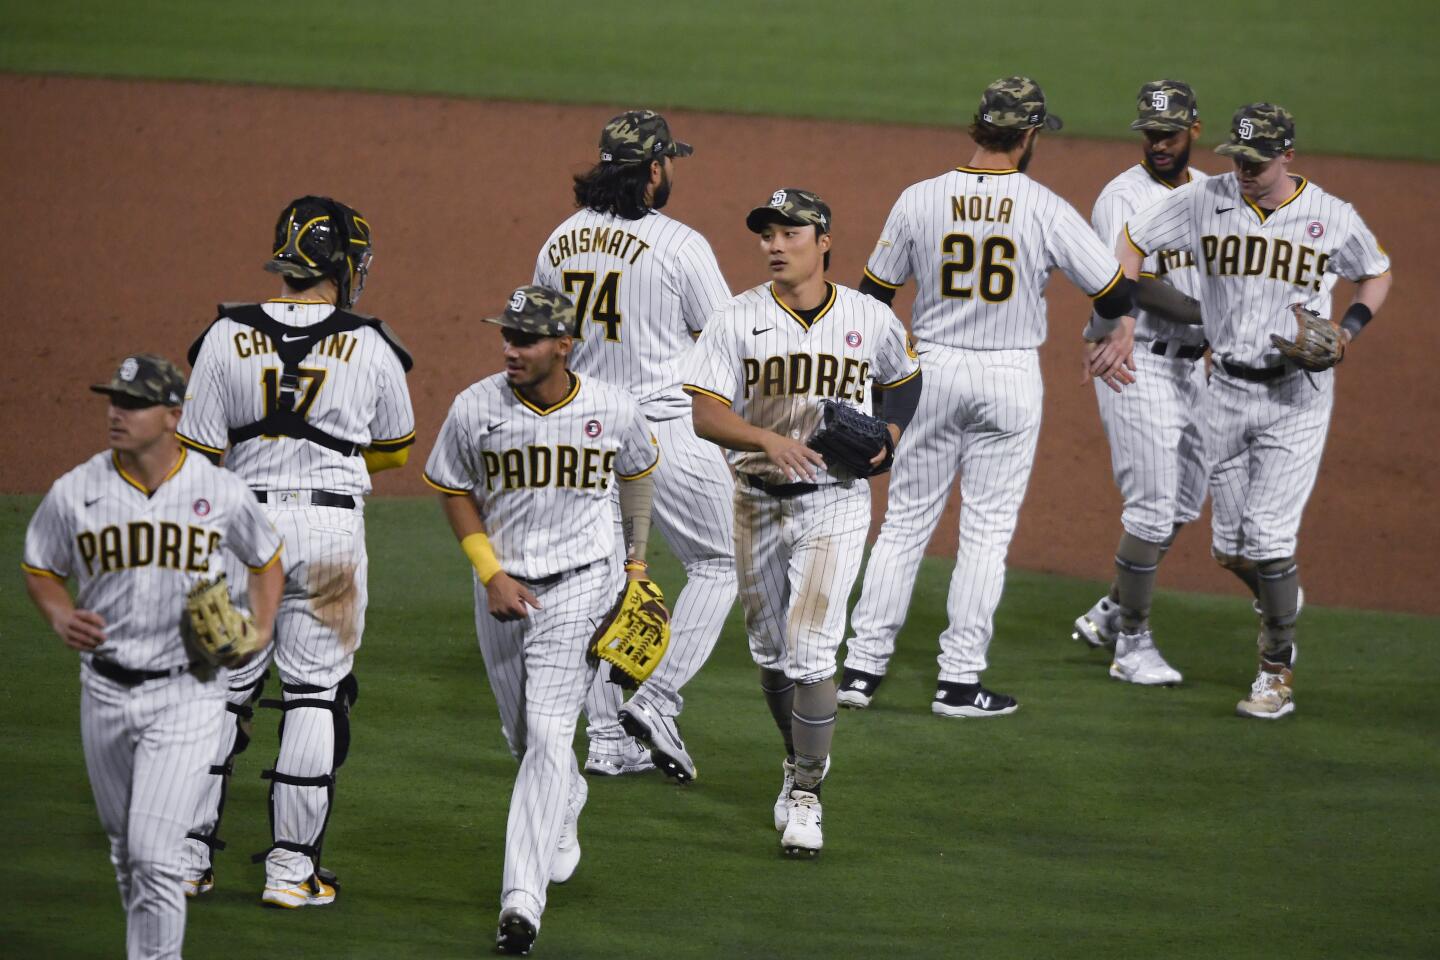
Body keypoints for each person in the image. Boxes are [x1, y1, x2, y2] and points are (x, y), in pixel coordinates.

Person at [836, 76, 1137, 714]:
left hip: (932, 370)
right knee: (987, 533)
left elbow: (871, 301)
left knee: (904, 525)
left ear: (978, 128)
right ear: (1028, 136)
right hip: (1009, 378)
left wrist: (875, 379)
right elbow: (1113, 293)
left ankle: (861, 672)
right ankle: (958, 681)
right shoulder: (1044, 205)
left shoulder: (919, 198)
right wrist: (1104, 331)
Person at [176, 196, 417, 905]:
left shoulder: (222, 335)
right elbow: (396, 451)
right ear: (339, 263)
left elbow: (194, 452)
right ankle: (291, 871)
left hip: (238, 534)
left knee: (215, 691)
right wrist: (326, 470)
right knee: (315, 692)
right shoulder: (372, 343)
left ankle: (186, 860)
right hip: (332, 540)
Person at [1119, 102, 1392, 718]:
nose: (1244, 168)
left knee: (1268, 538)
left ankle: (1276, 672)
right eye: (1238, 157)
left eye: (1257, 160)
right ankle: (1281, 601)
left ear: (1287, 156)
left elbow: (1375, 273)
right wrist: (1118, 319)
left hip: (1296, 398)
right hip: (1223, 393)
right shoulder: (1204, 198)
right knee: (1230, 549)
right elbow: (1133, 240)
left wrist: (1347, 331)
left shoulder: (1330, 216)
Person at [683, 188, 922, 857]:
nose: (774, 245)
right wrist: (766, 441)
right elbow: (705, 413)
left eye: (789, 233)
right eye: (767, 234)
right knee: (769, 653)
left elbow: (905, 377)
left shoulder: (867, 318)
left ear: (823, 241)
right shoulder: (736, 318)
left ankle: (809, 792)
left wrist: (892, 434)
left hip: (836, 500)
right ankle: (795, 757)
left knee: (813, 647)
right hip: (755, 499)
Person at [424, 285, 660, 954]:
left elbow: (638, 473)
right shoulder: (476, 407)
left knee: (553, 734)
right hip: (501, 589)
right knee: (525, 738)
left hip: (582, 587)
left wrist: (636, 566)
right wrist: (490, 572)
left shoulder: (612, 407)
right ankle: (565, 801)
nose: (510, 348)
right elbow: (452, 489)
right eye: (507, 335)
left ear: (565, 344)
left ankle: (521, 904)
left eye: (525, 338)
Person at [22, 355, 283, 960]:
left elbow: (266, 557)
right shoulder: (76, 490)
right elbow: (40, 564)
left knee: (154, 855)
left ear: (172, 415)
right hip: (105, 691)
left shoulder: (218, 490)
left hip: (188, 692)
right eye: (114, 400)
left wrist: (262, 624)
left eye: (133, 403)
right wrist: (59, 613)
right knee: (125, 848)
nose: (117, 413)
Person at [532, 109, 735, 782]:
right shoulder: (680, 245)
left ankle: (610, 744)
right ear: (653, 171)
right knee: (719, 563)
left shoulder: (559, 242)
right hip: (664, 431)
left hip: (586, 438)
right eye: (667, 161)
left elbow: (538, 346)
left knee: (604, 588)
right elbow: (726, 345)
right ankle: (657, 699)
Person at [1069, 80, 1212, 685]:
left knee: (1185, 499)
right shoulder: (1120, 198)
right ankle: (1132, 646)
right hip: (1134, 363)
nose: (1159, 144)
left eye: (1170, 133)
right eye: (1151, 133)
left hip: (1192, 367)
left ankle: (1110, 609)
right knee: (1152, 507)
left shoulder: (1211, 192)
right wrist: (1214, 312)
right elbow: (1136, 287)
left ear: (1193, 132)